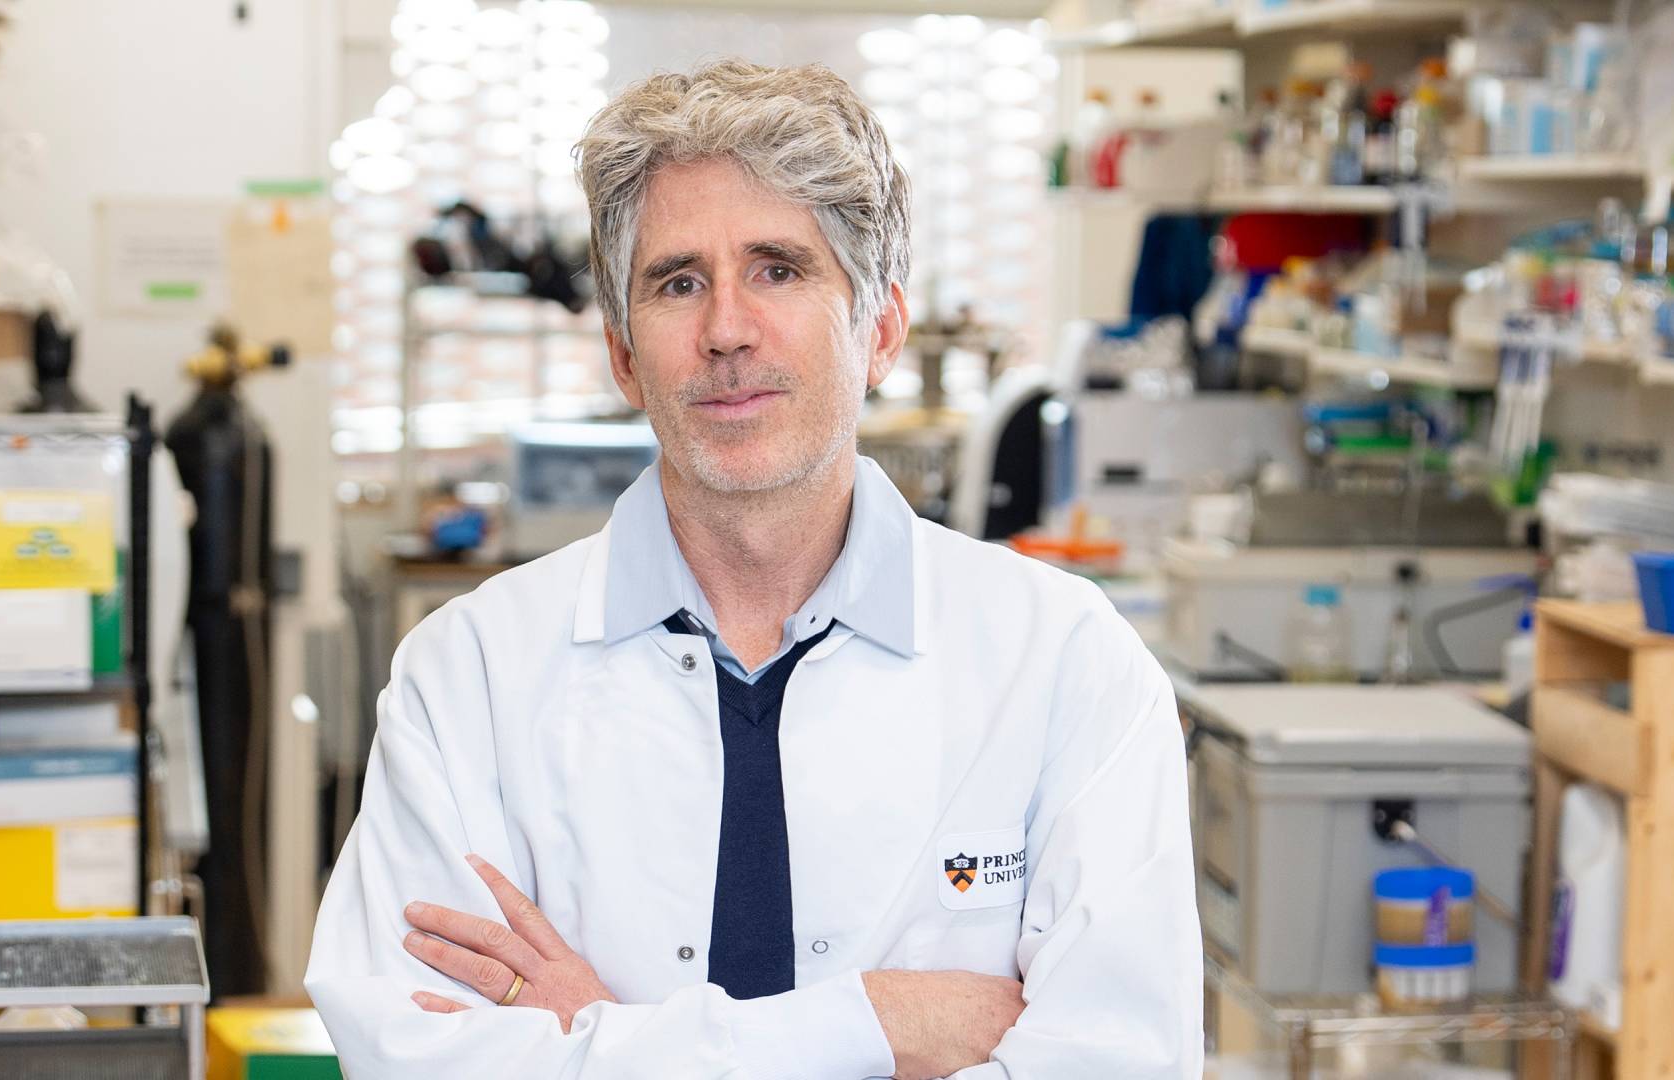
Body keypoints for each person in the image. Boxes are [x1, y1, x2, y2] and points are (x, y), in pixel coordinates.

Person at [306, 59, 1201, 1078]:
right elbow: (415, 1054)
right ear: (625, 355)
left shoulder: (1066, 665)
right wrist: (878, 1026)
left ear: (881, 331)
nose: (727, 330)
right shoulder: (465, 680)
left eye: (779, 268)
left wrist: (605, 1038)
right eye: (679, 282)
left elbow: (1119, 1060)